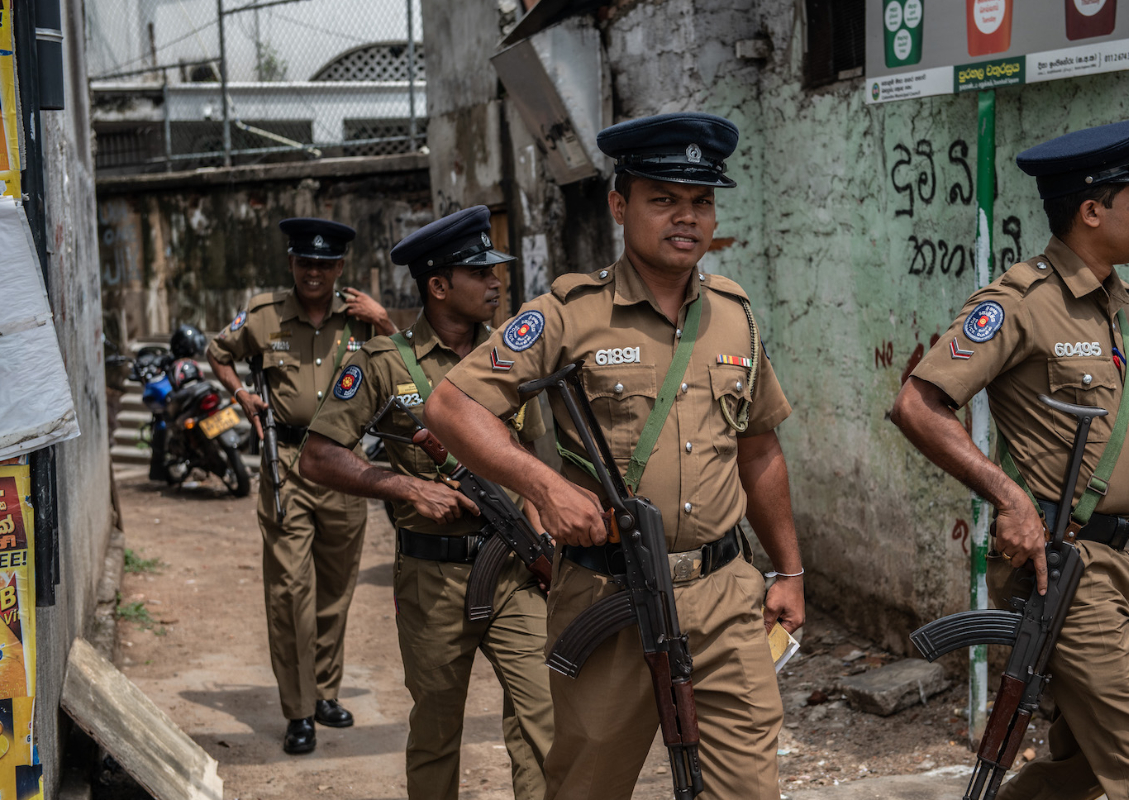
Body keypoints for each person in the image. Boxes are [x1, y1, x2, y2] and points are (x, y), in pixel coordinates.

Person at [422, 112, 806, 800]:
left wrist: (791, 570)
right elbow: (452, 407)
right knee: (587, 784)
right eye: (663, 200)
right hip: (609, 592)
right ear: (621, 206)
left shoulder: (735, 314)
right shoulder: (570, 313)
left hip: (723, 594)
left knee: (749, 789)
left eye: (701, 202)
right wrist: (544, 488)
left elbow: (759, 448)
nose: (687, 218)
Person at [891, 116, 1129, 800]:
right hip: (1064, 568)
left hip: (1123, 567)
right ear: (1092, 210)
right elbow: (917, 405)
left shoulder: (1128, 310)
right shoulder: (1020, 303)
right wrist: (1009, 496)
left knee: (1083, 763)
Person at [298, 206, 554, 800]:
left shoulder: (511, 356)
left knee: (544, 720)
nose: (496, 282)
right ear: (438, 285)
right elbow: (317, 455)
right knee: (438, 729)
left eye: (496, 271)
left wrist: (546, 553)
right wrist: (405, 485)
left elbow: (534, 463)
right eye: (480, 273)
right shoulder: (383, 363)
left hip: (515, 567)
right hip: (434, 579)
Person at [205, 217, 396, 755]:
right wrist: (241, 394)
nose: (314, 272)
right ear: (292, 263)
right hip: (285, 463)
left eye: (325, 264)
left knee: (336, 589)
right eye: (305, 262)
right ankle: (298, 710)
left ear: (340, 268)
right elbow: (219, 352)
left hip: (345, 465)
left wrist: (383, 320)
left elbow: (407, 362)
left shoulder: (361, 319)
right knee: (291, 591)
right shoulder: (265, 316)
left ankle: (326, 692)